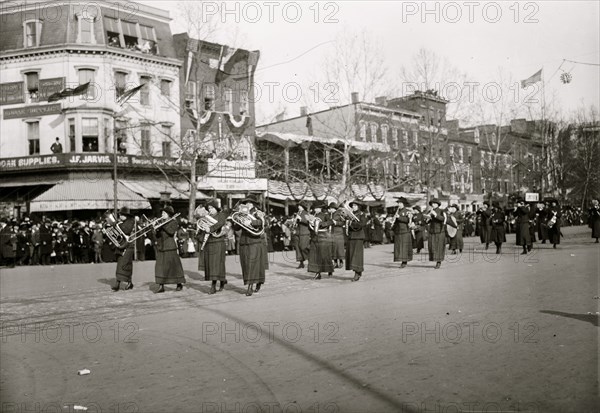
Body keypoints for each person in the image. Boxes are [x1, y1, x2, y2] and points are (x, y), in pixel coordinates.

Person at [233, 196, 267, 296]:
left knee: (252, 264)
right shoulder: (242, 213)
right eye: (245, 203)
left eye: (248, 203)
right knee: (245, 264)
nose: (246, 205)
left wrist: (251, 221)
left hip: (254, 241)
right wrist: (235, 220)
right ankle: (255, 282)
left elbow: (262, 223)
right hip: (244, 242)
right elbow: (236, 228)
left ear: (252, 204)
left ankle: (250, 286)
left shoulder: (257, 212)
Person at [197, 199, 227, 294]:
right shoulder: (207, 217)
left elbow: (220, 223)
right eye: (209, 208)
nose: (210, 210)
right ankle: (222, 280)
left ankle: (213, 285)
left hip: (218, 242)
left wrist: (210, 228)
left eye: (212, 208)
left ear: (216, 208)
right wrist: (199, 233)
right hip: (209, 243)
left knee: (217, 264)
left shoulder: (221, 215)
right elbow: (203, 229)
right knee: (211, 265)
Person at [154, 205, 185, 293]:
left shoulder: (173, 222)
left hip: (170, 247)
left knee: (174, 267)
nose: (162, 214)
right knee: (160, 267)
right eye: (162, 213)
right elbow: (157, 236)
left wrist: (162, 225)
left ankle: (179, 283)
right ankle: (161, 285)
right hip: (161, 247)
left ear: (168, 214)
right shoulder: (161, 222)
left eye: (164, 213)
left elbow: (171, 232)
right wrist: (155, 229)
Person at [307, 201, 334, 280]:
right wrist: (310, 223)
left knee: (324, 254)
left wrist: (322, 224)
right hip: (314, 237)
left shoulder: (325, 215)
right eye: (315, 208)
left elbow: (331, 222)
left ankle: (329, 269)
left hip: (323, 236)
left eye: (318, 208)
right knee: (314, 255)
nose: (316, 210)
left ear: (321, 208)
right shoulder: (312, 216)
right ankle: (317, 272)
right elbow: (310, 228)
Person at [111, 207, 136, 291]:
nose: (120, 216)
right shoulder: (123, 222)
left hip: (128, 246)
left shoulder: (131, 221)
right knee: (120, 264)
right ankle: (118, 283)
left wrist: (117, 225)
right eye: (120, 215)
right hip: (122, 245)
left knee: (125, 264)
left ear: (126, 216)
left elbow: (126, 230)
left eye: (122, 215)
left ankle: (129, 282)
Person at [345, 201, 366, 281]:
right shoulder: (350, 214)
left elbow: (362, 224)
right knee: (351, 255)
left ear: (358, 207)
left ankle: (357, 272)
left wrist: (352, 224)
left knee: (357, 256)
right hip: (351, 236)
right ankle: (357, 271)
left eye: (355, 205)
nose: (353, 207)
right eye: (352, 206)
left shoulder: (361, 214)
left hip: (358, 236)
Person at [391, 197, 413, 268]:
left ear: (404, 204)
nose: (399, 205)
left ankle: (404, 261)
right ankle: (400, 259)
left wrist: (399, 217)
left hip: (405, 231)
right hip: (398, 231)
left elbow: (408, 220)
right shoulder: (397, 211)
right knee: (399, 247)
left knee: (404, 247)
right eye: (398, 203)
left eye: (400, 203)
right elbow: (396, 221)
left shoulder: (407, 211)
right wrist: (393, 221)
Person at [426, 199, 446, 269]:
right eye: (432, 204)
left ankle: (438, 261)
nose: (433, 205)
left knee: (439, 247)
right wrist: (427, 219)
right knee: (432, 246)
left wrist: (435, 215)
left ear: (438, 204)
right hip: (432, 230)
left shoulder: (442, 211)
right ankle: (434, 259)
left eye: (434, 204)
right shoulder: (429, 211)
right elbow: (426, 222)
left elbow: (443, 219)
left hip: (439, 231)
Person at [294, 202, 311, 269]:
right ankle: (301, 263)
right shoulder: (298, 213)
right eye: (298, 206)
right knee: (298, 248)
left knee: (304, 247)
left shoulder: (306, 213)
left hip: (304, 233)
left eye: (300, 206)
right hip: (298, 233)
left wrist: (301, 219)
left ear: (303, 207)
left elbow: (308, 222)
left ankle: (310, 261)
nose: (298, 207)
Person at [329, 202, 345, 269]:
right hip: (333, 233)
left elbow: (343, 222)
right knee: (334, 248)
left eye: (331, 208)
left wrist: (337, 223)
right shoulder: (331, 214)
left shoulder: (339, 213)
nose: (330, 209)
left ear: (334, 208)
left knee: (339, 248)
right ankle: (335, 262)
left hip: (338, 232)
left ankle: (341, 261)